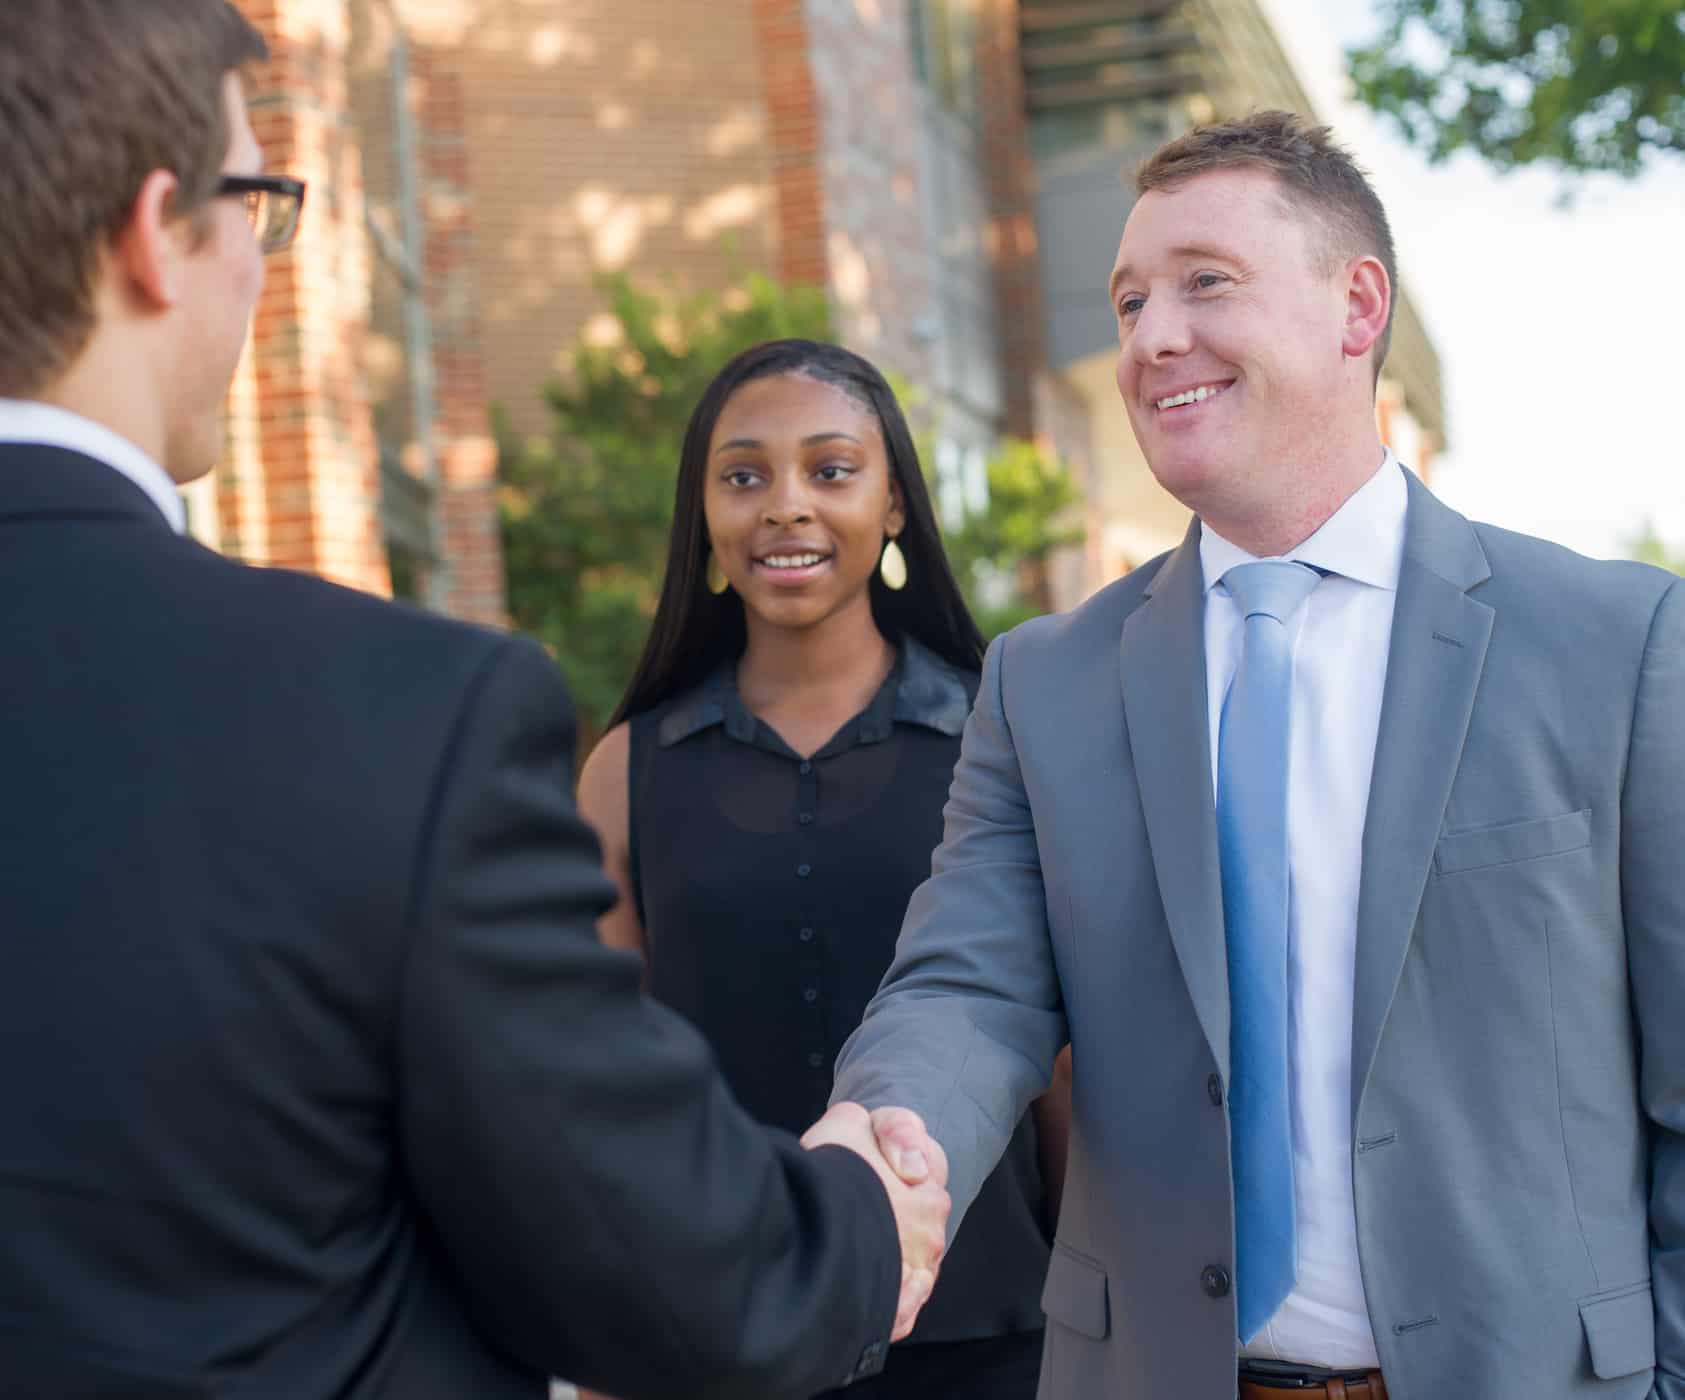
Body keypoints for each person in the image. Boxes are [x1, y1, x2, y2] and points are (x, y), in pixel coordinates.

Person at [0, 4, 950, 1398]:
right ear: (157, 233)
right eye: (256, 203)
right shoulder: (389, 719)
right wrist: (864, 1215)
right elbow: (665, 1261)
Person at [832, 109, 1684, 1400]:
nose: (1149, 338)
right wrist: (888, 1136)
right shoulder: (1045, 681)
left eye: (1203, 284)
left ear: (1356, 308)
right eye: (1126, 302)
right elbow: (965, 985)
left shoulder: (1615, 645)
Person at [576, 340, 1066, 1400]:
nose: (784, 505)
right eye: (743, 475)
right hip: (716, 1335)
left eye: (830, 469)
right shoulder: (624, 771)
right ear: (701, 515)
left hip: (990, 1339)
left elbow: (1061, 1068)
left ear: (893, 504)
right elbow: (604, 1077)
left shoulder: (1004, 737)